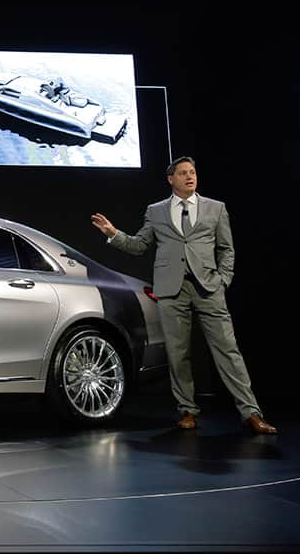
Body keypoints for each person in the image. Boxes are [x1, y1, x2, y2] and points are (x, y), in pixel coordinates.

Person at [90, 156, 276, 434]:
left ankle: (250, 412)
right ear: (171, 179)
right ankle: (187, 410)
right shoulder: (156, 211)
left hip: (208, 287)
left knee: (228, 350)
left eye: (193, 172)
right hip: (171, 290)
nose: (190, 177)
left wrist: (223, 280)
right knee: (178, 354)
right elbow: (140, 245)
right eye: (183, 173)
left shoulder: (215, 208)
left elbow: (227, 249)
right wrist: (113, 234)